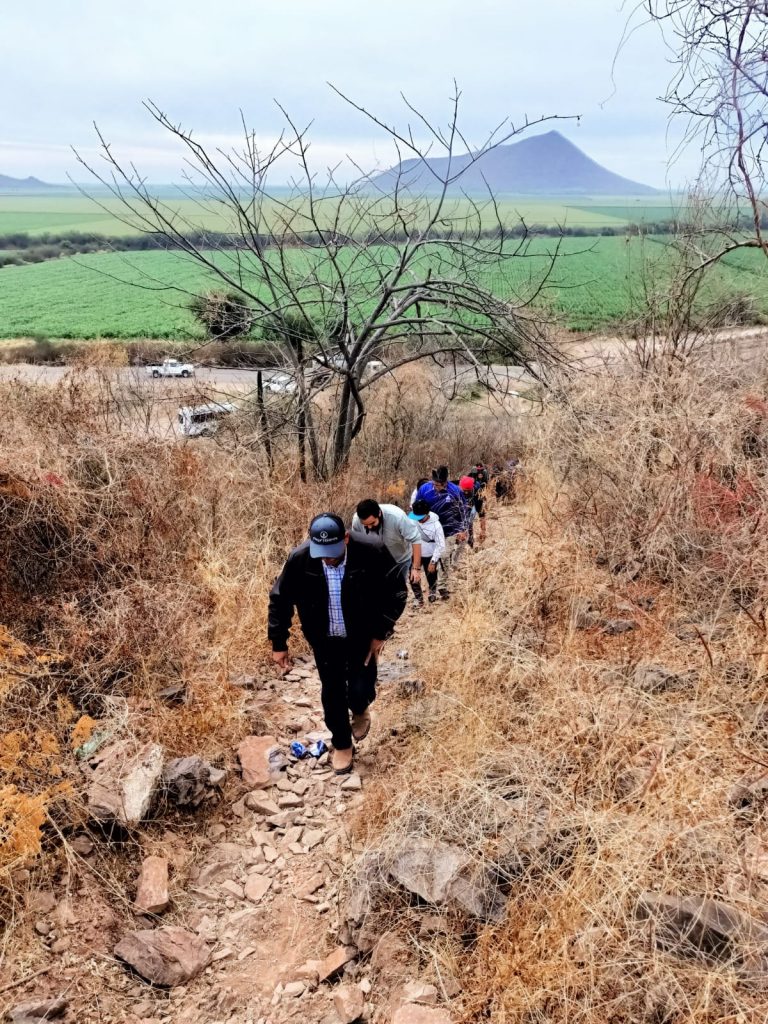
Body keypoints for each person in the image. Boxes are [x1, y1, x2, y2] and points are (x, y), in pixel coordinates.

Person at [268, 513, 403, 775]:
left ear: (346, 538)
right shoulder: (301, 559)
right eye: (322, 552)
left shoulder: (372, 551)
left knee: (360, 688)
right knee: (332, 691)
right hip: (323, 639)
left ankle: (361, 707)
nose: (327, 558)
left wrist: (381, 632)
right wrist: (279, 642)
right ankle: (342, 743)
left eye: (333, 551)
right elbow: (279, 600)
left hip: (362, 636)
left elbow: (396, 591)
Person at [351, 499, 422, 617]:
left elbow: (416, 539)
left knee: (396, 591)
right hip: (375, 561)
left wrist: (416, 568)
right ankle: (382, 619)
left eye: (372, 523)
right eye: (365, 525)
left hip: (400, 559)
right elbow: (357, 543)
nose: (368, 527)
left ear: (379, 513)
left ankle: (394, 615)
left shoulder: (397, 516)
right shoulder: (356, 520)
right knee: (378, 591)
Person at [415, 466, 469, 598]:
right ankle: (432, 586)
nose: (436, 487)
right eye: (435, 484)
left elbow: (463, 510)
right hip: (428, 529)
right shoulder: (425, 489)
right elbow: (416, 507)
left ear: (445, 482)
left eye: (439, 485)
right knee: (430, 559)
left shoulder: (455, 491)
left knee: (444, 557)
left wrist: (463, 529)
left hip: (448, 529)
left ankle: (442, 586)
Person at [407, 498, 445, 606]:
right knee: (413, 577)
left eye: (421, 517)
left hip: (430, 554)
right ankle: (418, 598)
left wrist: (433, 561)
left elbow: (441, 544)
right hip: (414, 553)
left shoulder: (436, 525)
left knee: (431, 575)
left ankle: (432, 592)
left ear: (427, 513)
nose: (418, 520)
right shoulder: (411, 520)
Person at [459, 474, 486, 546]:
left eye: (468, 491)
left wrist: (483, 530)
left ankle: (470, 543)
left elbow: (481, 513)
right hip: (459, 507)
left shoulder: (477, 494)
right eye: (464, 491)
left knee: (469, 521)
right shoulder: (455, 490)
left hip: (471, 506)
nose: (466, 493)